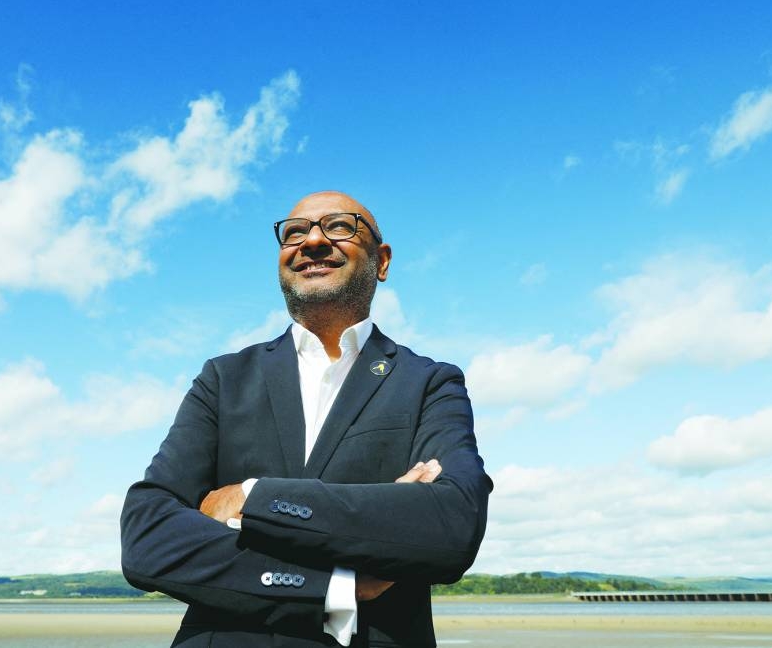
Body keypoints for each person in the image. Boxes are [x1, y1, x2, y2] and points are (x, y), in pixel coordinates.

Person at [120, 191, 493, 647]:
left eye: (339, 226)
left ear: (382, 261)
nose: (313, 241)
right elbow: (148, 537)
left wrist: (253, 497)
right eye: (295, 232)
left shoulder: (430, 383)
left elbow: (451, 526)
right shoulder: (223, 378)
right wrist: (336, 584)